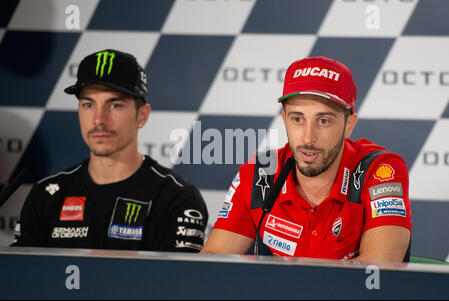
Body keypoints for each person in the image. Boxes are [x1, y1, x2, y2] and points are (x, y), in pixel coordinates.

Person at [201, 56, 411, 262]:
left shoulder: (379, 170)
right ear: (285, 120)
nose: (308, 138)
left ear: (349, 125)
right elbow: (212, 265)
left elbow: (379, 270)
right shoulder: (260, 173)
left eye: (324, 120)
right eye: (298, 119)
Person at [12, 49, 208, 252]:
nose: (98, 119)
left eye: (114, 105)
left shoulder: (175, 198)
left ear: (142, 115)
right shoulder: (47, 195)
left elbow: (173, 281)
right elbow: (25, 278)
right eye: (88, 104)